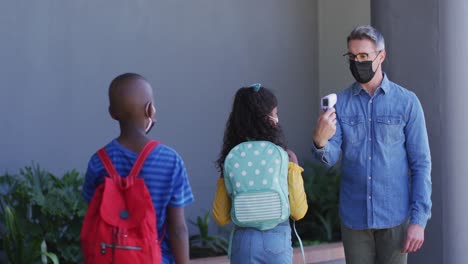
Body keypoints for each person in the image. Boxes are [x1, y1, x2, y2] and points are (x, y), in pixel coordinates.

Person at [311, 25, 432, 264]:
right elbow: (330, 157)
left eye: (364, 56)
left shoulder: (407, 103)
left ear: (381, 56)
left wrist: (418, 220)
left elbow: (421, 164)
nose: (357, 62)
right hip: (354, 220)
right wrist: (320, 140)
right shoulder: (340, 104)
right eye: (352, 57)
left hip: (395, 217)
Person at [82, 73, 194, 264]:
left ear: (112, 113)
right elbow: (177, 228)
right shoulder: (170, 160)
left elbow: (93, 218)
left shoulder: (98, 161)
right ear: (150, 109)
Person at [212, 84, 308, 264]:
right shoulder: (286, 156)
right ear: (267, 119)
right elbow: (298, 211)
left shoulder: (231, 158)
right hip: (276, 241)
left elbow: (221, 216)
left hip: (243, 243)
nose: (277, 118)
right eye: (275, 113)